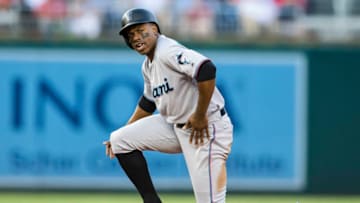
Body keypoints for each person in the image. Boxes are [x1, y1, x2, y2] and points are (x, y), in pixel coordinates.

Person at [103, 8, 233, 203]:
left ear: (154, 29)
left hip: (206, 130)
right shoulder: (148, 64)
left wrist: (199, 115)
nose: (136, 38)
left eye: (140, 31)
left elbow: (206, 69)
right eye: (130, 35)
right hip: (176, 127)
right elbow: (148, 102)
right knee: (120, 139)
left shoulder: (167, 50)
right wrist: (126, 128)